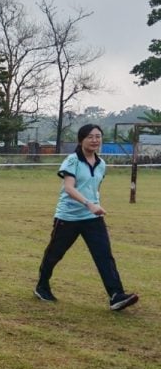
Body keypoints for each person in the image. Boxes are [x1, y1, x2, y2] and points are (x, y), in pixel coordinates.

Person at [35, 124, 139, 311]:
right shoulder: (72, 160)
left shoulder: (102, 164)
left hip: (92, 218)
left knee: (104, 255)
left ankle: (116, 295)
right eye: (90, 137)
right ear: (81, 140)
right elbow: (69, 187)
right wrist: (88, 204)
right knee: (54, 254)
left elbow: (94, 188)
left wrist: (95, 204)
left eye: (98, 136)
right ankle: (42, 286)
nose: (95, 140)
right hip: (68, 217)